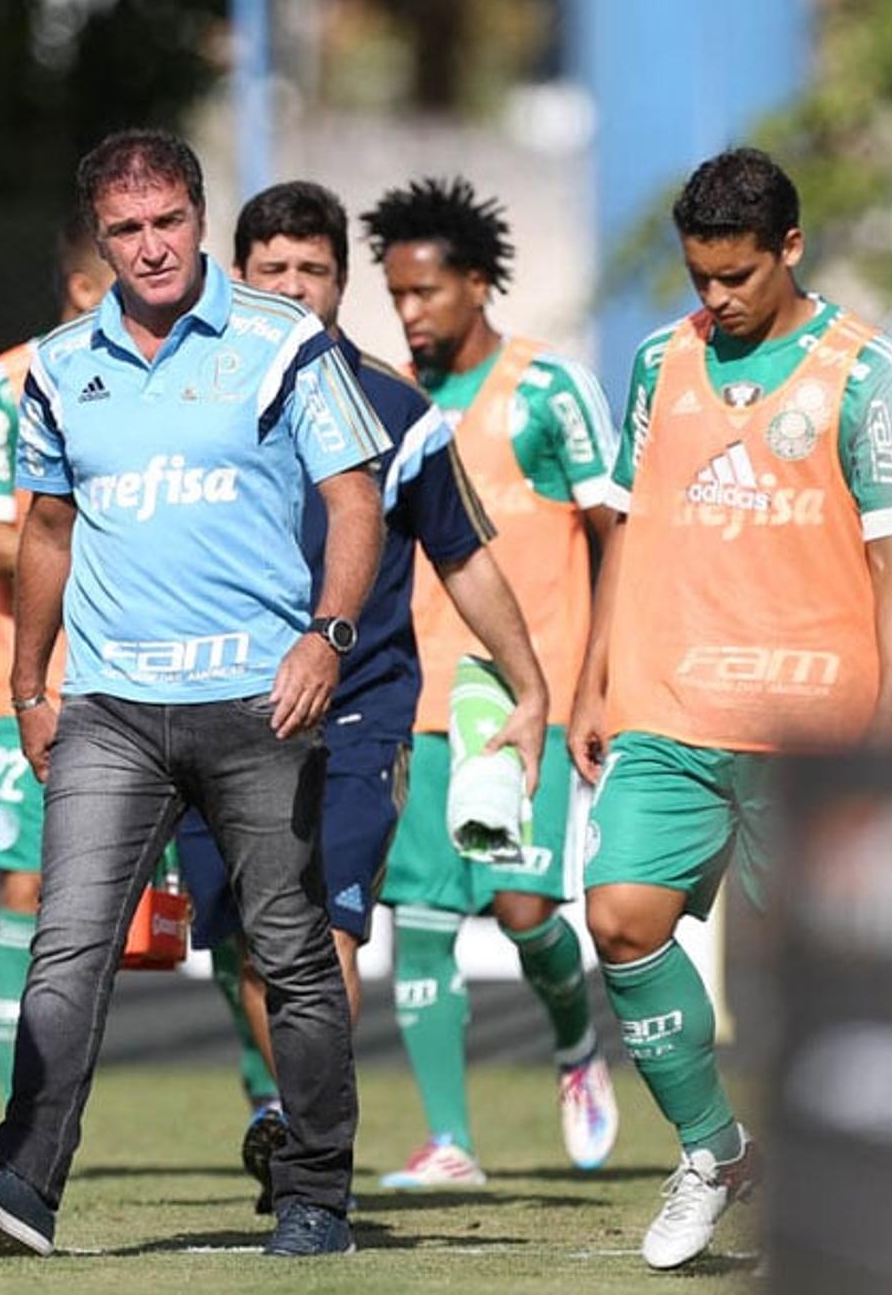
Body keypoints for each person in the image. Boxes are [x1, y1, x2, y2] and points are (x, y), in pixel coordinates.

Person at [0, 129, 389, 1260]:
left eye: (167, 223)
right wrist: (27, 681)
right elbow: (45, 528)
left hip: (261, 701)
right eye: (125, 230)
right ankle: (22, 1187)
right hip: (108, 705)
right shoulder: (57, 367)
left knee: (289, 955)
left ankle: (314, 1197)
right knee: (68, 946)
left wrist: (327, 639)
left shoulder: (283, 340)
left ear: (201, 218)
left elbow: (354, 500)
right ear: (98, 240)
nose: (149, 249)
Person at [569, 147, 892, 1269]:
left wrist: (888, 722)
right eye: (698, 277)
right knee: (620, 914)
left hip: (813, 726)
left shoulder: (865, 370)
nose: (714, 300)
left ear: (791, 249)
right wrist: (595, 675)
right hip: (673, 706)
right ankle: (715, 1150)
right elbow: (624, 524)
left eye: (736, 278)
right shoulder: (656, 363)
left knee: (803, 983)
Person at [171, 180, 551, 1212]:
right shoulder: (184, 396)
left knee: (319, 937)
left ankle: (314, 1164)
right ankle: (304, 1119)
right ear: (236, 276)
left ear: (343, 283)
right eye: (273, 270)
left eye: (315, 270)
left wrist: (530, 683)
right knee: (256, 947)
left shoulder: (397, 411)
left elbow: (465, 558)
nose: (295, 288)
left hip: (357, 708)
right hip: (213, 707)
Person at [358, 176, 621, 1188]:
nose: (411, 312)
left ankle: (572, 1046)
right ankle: (449, 1142)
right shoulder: (390, 401)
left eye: (426, 291)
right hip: (415, 703)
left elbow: (615, 537)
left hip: (525, 702)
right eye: (397, 295)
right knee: (419, 920)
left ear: (476, 283)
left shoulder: (548, 390)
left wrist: (592, 684)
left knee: (520, 907)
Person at [0, 219, 113, 1102]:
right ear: (86, 289)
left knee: (218, 910)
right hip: (43, 687)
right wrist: (129, 552)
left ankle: (270, 1111)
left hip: (179, 677)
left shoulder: (186, 386)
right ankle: (24, 1121)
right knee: (29, 888)